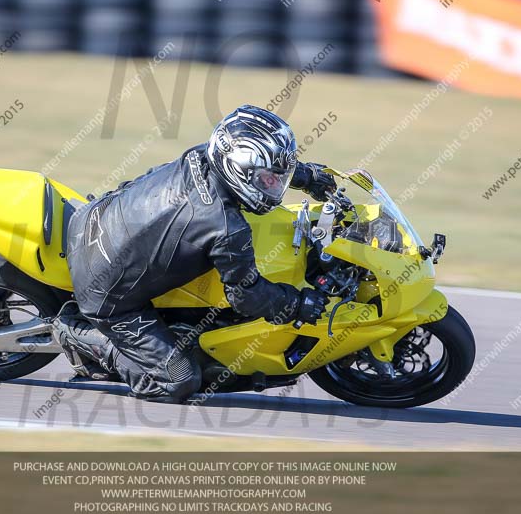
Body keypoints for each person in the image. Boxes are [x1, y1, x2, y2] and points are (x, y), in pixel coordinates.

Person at [56, 104, 336, 403]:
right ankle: (80, 334)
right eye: (269, 178)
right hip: (105, 296)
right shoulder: (226, 227)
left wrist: (305, 176)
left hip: (95, 218)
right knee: (178, 382)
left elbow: (254, 164)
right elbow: (246, 296)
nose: (274, 185)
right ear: (239, 169)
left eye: (278, 178)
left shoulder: (200, 156)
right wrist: (296, 303)